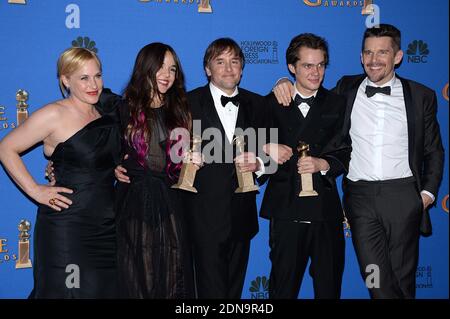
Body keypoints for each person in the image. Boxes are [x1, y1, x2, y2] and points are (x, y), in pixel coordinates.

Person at [273, 24, 444, 299]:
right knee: (375, 277)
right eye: (368, 52)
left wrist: (426, 194)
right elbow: (309, 89)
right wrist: (282, 81)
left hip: (403, 195)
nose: (374, 59)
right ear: (361, 56)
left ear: (398, 56)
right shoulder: (346, 89)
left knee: (403, 278)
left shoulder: (421, 96)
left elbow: (434, 150)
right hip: (361, 199)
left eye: (382, 52)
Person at [0, 47, 119, 298]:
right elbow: (6, 148)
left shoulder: (107, 111)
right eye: (83, 78)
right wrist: (36, 191)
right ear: (66, 80)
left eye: (98, 76)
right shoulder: (54, 113)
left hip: (107, 226)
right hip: (68, 226)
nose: (93, 84)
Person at [259, 33, 350, 299]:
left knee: (329, 288)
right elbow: (249, 151)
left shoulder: (338, 103)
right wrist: (266, 150)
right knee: (282, 290)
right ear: (291, 67)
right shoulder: (270, 103)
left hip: (326, 213)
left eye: (321, 65)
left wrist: (324, 163)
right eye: (308, 65)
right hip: (286, 211)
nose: (316, 72)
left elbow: (347, 149)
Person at [108, 43, 198, 298]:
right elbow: (95, 148)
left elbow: (181, 161)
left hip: (171, 203)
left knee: (174, 277)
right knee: (137, 275)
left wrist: (191, 159)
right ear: (144, 66)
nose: (167, 74)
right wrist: (112, 165)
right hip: (133, 203)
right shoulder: (121, 109)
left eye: (172, 69)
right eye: (160, 67)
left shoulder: (181, 110)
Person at [185, 38, 267, 298]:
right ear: (208, 69)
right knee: (209, 293)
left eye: (234, 61)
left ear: (242, 68)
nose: (229, 68)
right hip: (201, 217)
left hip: (242, 216)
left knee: (233, 292)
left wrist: (261, 165)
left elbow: (275, 152)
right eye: (220, 62)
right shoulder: (187, 103)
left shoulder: (259, 104)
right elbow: (169, 150)